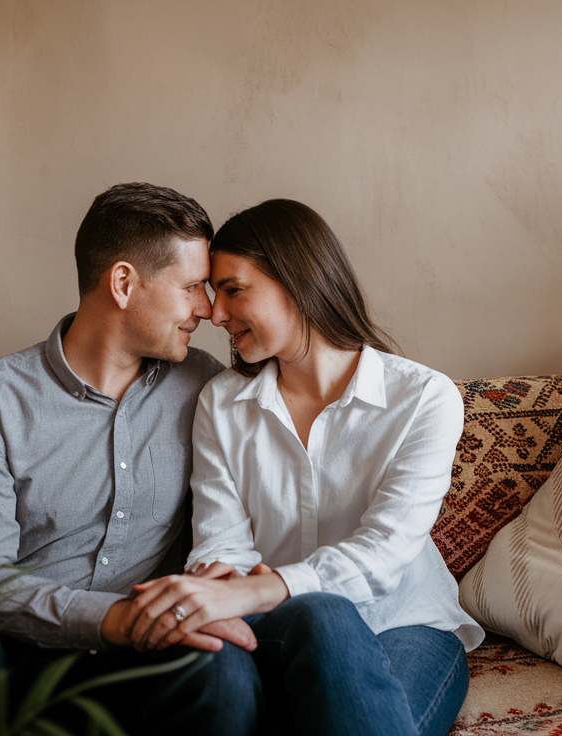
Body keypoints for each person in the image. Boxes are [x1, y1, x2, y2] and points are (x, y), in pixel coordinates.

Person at [124, 199, 484, 736]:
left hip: (403, 623)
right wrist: (223, 587)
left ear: (295, 278)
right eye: (211, 292)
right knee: (288, 633)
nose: (214, 314)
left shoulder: (424, 398)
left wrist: (259, 589)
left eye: (232, 288)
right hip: (277, 627)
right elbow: (220, 541)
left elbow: (385, 553)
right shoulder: (221, 402)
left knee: (334, 632)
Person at [0, 183, 261, 734]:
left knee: (225, 672)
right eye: (191, 287)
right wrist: (112, 619)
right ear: (124, 283)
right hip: (15, 648)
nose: (207, 308)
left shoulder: (205, 385)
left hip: (147, 655)